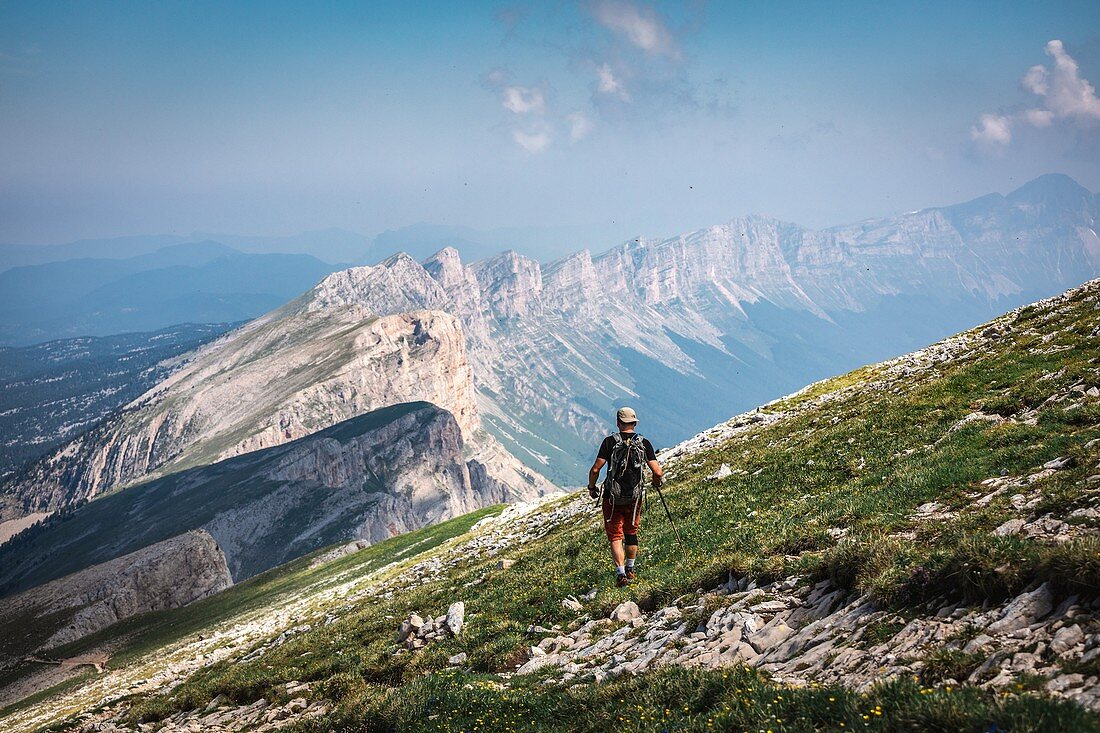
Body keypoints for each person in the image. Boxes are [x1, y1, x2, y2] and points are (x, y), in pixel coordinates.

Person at [587, 407, 663, 587]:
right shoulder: (644, 443)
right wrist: (657, 483)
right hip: (634, 498)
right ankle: (631, 569)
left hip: (612, 498)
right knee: (631, 532)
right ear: (635, 423)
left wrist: (592, 487)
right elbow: (657, 471)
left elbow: (596, 469)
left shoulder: (609, 442)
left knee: (615, 535)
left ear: (618, 423)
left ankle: (620, 574)